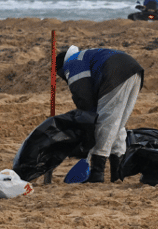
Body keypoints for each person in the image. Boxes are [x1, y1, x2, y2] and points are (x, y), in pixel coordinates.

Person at [55, 44, 146, 183]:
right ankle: (117, 172)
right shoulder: (85, 57)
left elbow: (83, 97)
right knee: (117, 122)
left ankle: (97, 172)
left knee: (106, 122)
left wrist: (88, 122)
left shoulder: (71, 64)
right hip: (134, 70)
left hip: (115, 72)